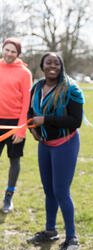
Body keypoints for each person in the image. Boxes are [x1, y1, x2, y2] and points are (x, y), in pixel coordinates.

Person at [26, 52, 85, 250]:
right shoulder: (36, 87)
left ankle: (72, 239)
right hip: (44, 145)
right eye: (48, 62)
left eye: (57, 63)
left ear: (61, 66)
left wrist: (46, 120)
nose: (53, 66)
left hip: (65, 144)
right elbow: (29, 112)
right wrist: (31, 127)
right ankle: (50, 231)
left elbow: (75, 121)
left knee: (61, 191)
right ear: (42, 66)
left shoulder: (71, 89)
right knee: (48, 190)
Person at [0, 38, 32, 213]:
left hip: (15, 124)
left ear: (18, 54)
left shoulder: (24, 73)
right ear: (2, 49)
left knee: (14, 161)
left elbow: (27, 102)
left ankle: (8, 198)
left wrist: (21, 129)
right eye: (7, 50)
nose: (9, 54)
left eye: (13, 51)